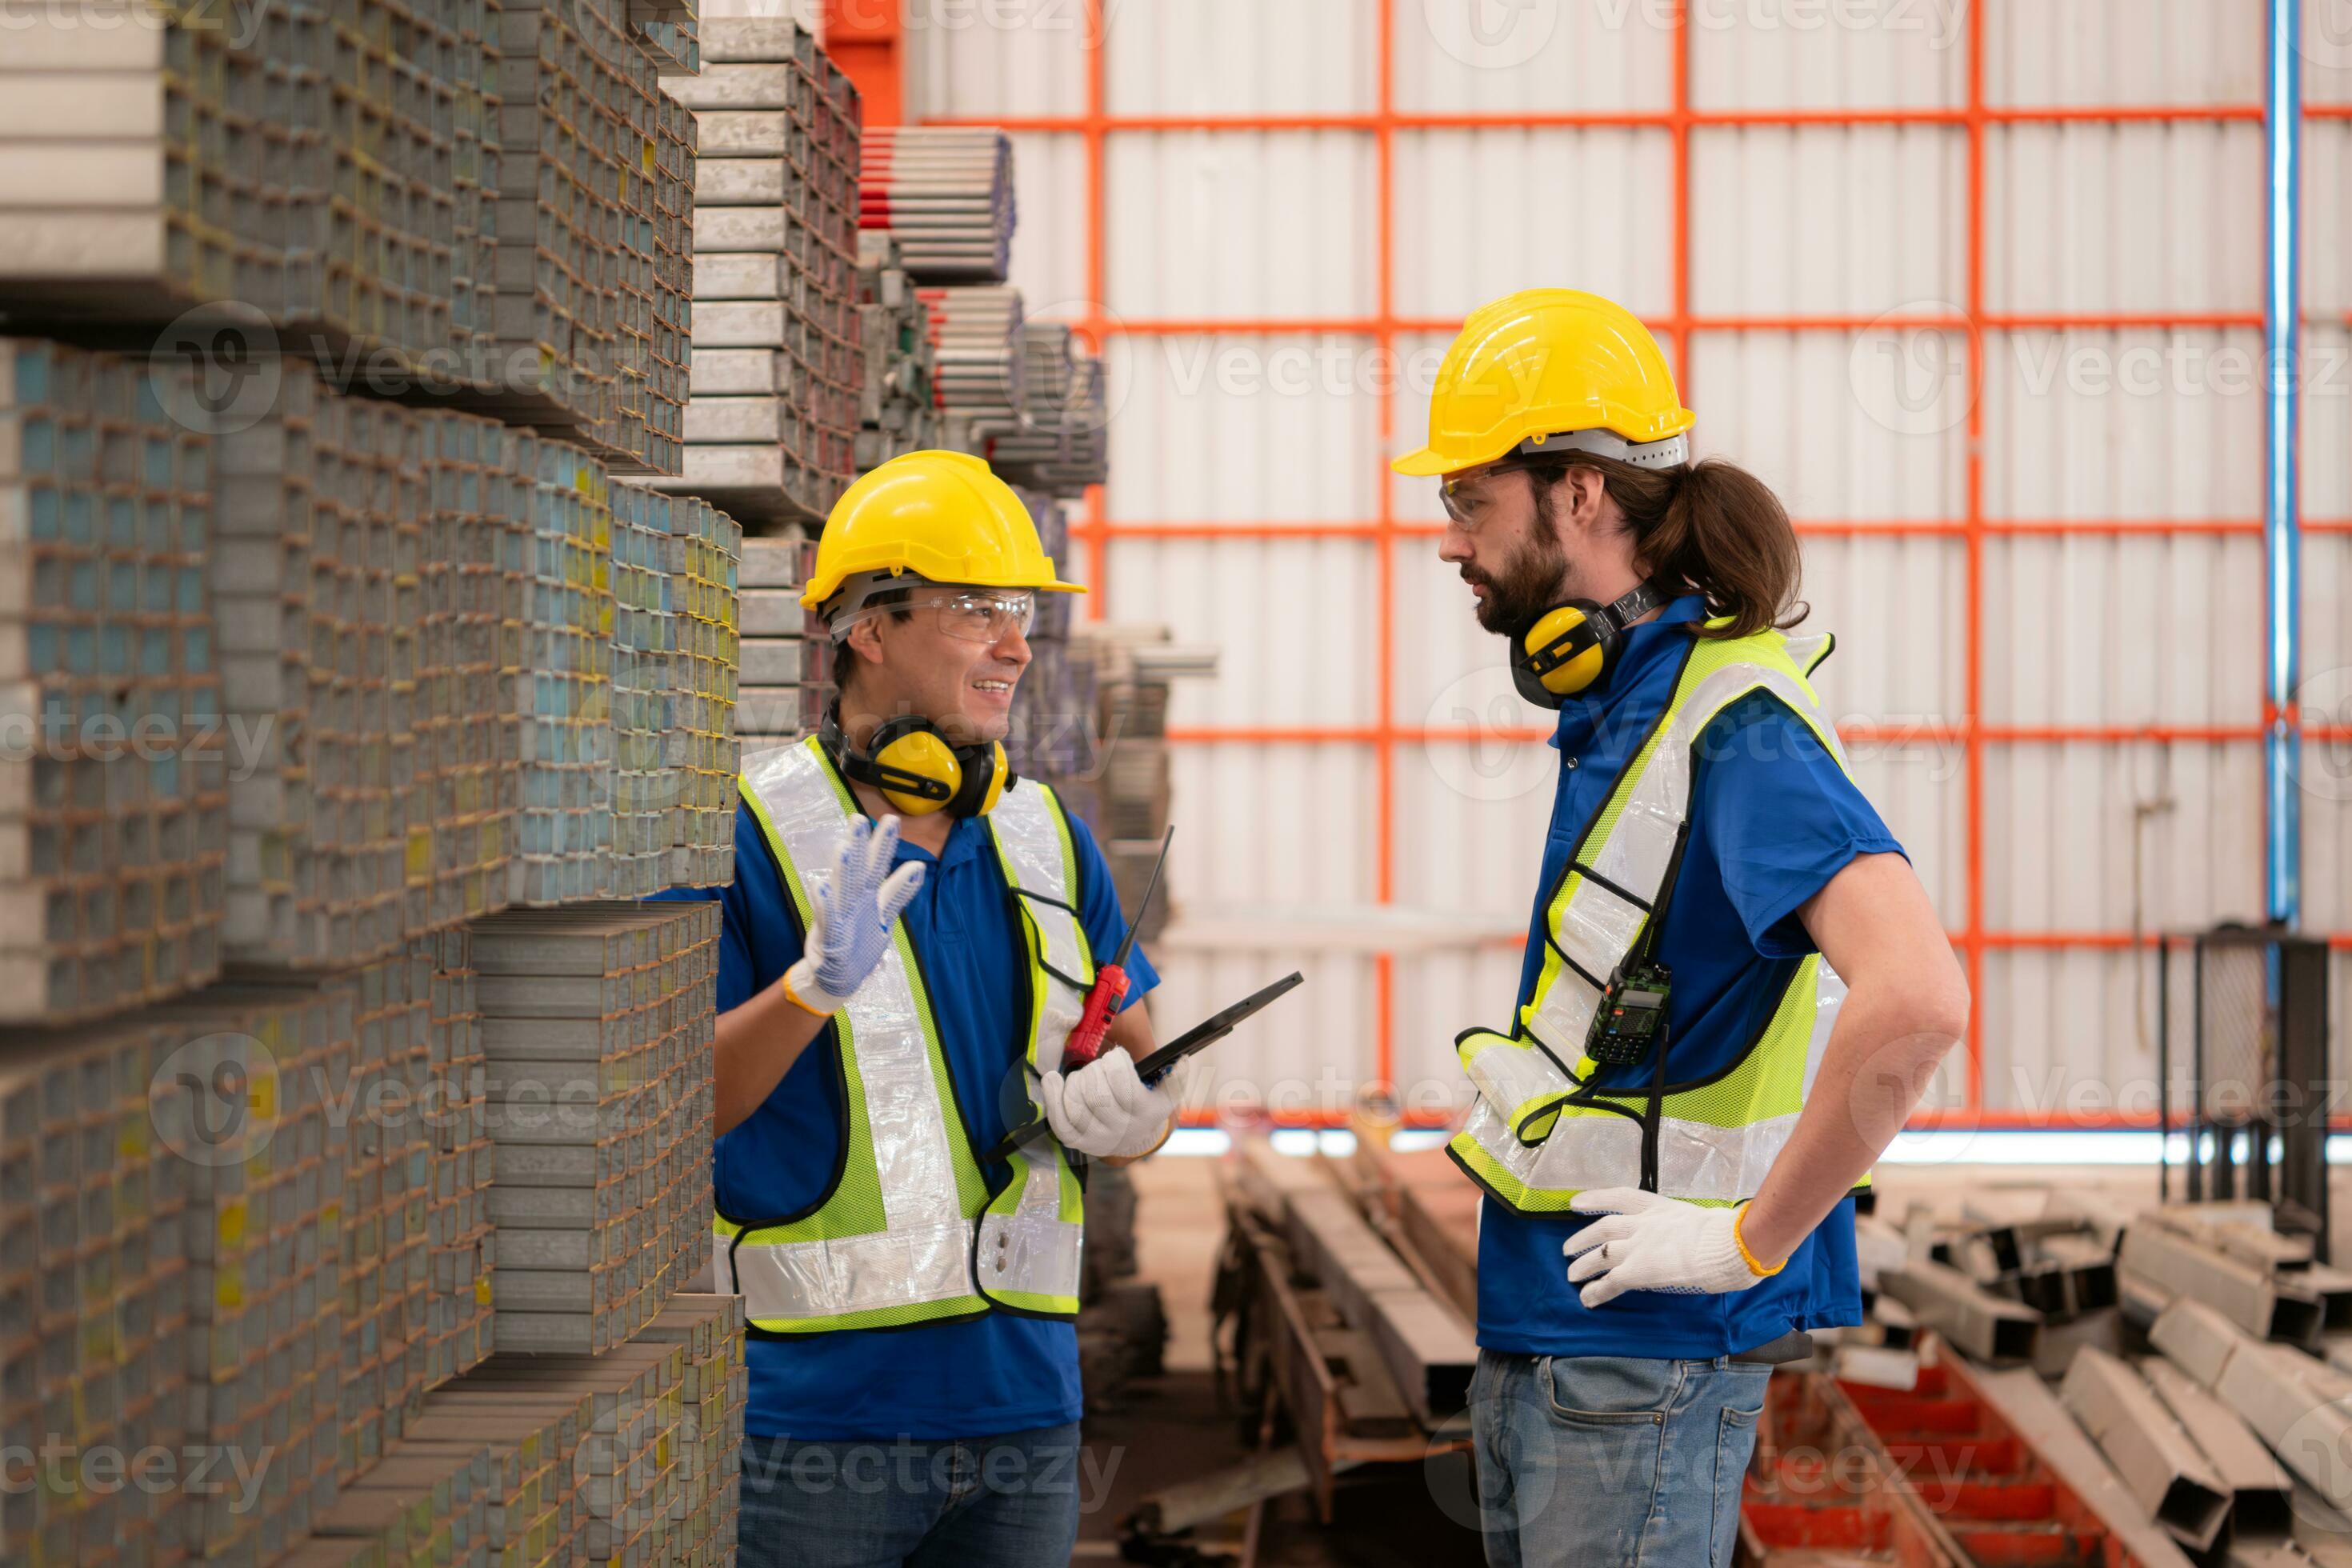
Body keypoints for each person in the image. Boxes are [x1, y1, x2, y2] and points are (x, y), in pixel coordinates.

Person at [1394, 290, 1970, 1568]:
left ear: (1582, 495)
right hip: (1566, 1338)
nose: (1448, 544)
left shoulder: (1736, 722)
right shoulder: (1632, 702)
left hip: (1641, 1363)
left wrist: (1748, 1238)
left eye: (1467, 502)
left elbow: (1920, 997)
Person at [658, 450, 1183, 1567]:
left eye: (1023, 614)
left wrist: (1148, 1113)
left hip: (1028, 1418)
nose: (1016, 645)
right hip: (813, 1428)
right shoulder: (747, 828)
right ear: (868, 627)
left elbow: (1141, 1056)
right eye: (976, 611)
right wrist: (810, 990)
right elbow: (675, 1104)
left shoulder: (1047, 837)